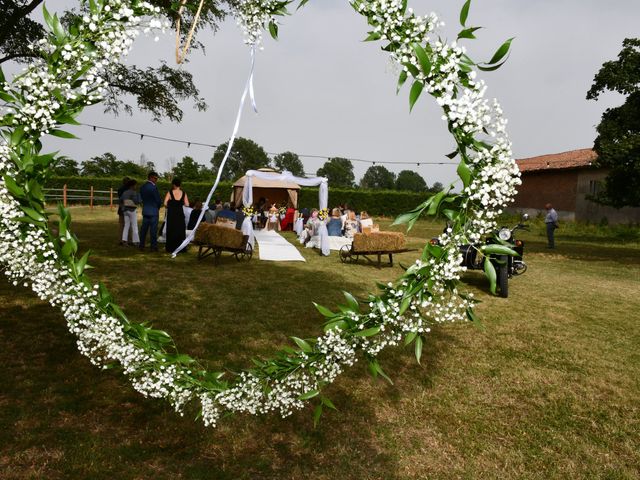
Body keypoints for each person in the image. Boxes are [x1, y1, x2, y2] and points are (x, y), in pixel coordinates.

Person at [164, 177, 189, 253]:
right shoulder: (184, 193)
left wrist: (170, 205)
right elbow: (187, 204)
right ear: (180, 185)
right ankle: (180, 248)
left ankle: (170, 248)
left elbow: (165, 203)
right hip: (179, 214)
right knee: (180, 229)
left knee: (171, 229)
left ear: (174, 184)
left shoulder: (170, 192)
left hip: (172, 214)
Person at [139, 171, 162, 252]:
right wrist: (157, 207)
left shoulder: (142, 187)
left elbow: (140, 199)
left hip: (145, 210)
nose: (156, 180)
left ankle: (141, 245)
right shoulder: (154, 187)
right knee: (153, 230)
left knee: (143, 229)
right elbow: (158, 200)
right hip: (154, 211)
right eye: (156, 178)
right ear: (151, 178)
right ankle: (153, 246)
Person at [119, 179, 140, 246]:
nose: (136, 186)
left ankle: (124, 241)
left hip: (125, 210)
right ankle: (136, 241)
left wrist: (123, 207)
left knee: (126, 226)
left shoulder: (125, 192)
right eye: (135, 185)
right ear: (132, 186)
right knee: (134, 226)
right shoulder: (134, 192)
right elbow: (137, 201)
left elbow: (120, 200)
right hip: (132, 210)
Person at [117, 177, 129, 244]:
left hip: (121, 208)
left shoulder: (120, 189)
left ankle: (120, 240)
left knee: (121, 225)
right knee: (128, 225)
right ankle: (126, 240)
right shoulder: (129, 190)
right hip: (128, 208)